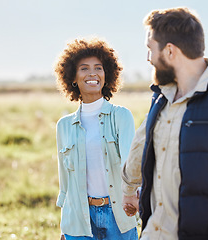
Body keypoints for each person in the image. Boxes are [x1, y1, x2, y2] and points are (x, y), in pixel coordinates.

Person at [121, 7, 208, 240]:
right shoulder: (162, 98)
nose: (148, 58)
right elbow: (142, 143)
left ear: (169, 51)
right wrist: (128, 189)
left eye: (150, 49)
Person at [54, 37, 138, 240]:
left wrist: (135, 198)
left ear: (106, 74)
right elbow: (65, 183)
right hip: (78, 218)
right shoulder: (63, 125)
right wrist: (66, 227)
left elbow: (131, 165)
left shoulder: (121, 116)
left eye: (98, 68)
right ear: (73, 77)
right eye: (84, 68)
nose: (92, 73)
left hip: (118, 215)